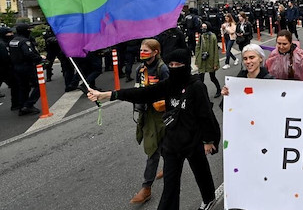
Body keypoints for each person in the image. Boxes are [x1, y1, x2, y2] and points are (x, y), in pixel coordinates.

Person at [88, 49, 221, 210]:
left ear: (186, 65)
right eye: (171, 64)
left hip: (193, 139)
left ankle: (208, 198)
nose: (174, 67)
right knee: (170, 185)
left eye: (178, 64)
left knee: (201, 172)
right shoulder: (169, 84)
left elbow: (205, 114)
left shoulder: (196, 86)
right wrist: (108, 95)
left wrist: (208, 140)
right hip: (172, 142)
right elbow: (143, 93)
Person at [129, 39, 170, 204]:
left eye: (146, 50)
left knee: (153, 151)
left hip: (161, 116)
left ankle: (146, 188)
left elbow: (170, 92)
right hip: (146, 114)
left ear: (156, 52)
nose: (142, 53)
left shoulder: (163, 69)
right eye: (141, 50)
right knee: (162, 146)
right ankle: (168, 167)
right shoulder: (140, 68)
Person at [9, 23, 43, 116]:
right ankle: (28, 105)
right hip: (27, 67)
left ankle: (22, 107)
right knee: (39, 86)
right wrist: (40, 59)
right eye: (29, 30)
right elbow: (28, 54)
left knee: (23, 88)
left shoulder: (13, 41)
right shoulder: (24, 41)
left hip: (16, 67)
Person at [195, 22, 222, 98]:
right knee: (201, 79)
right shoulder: (201, 36)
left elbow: (215, 50)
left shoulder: (213, 36)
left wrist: (215, 63)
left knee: (212, 78)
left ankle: (218, 89)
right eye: (202, 27)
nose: (203, 28)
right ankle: (202, 94)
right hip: (202, 59)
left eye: (205, 27)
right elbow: (197, 48)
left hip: (211, 60)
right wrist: (197, 60)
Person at [0, 27, 17, 107]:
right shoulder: (2, 44)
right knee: (15, 85)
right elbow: (5, 57)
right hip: (5, 68)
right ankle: (15, 104)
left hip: (4, 68)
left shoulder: (5, 42)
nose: (11, 34)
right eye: (9, 33)